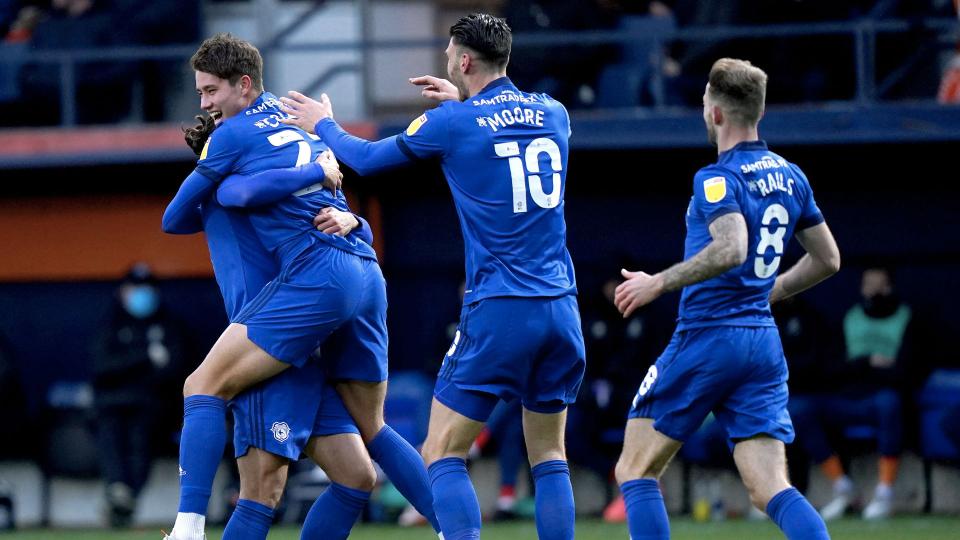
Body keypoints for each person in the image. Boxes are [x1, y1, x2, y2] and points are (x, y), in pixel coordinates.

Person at [279, 13, 585, 540]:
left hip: (500, 306)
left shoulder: (451, 123)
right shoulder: (554, 113)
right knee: (549, 454)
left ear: (464, 61)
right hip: (561, 306)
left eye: (450, 54)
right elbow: (501, 129)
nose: (446, 60)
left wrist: (322, 124)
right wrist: (463, 103)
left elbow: (368, 160)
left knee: (442, 451)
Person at [161, 33, 438, 540]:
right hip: (341, 291)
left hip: (282, 334)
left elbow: (178, 215)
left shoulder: (229, 165)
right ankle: (456, 528)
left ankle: (187, 528)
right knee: (355, 473)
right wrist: (330, 179)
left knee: (254, 481)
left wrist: (334, 198)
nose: (205, 105)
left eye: (209, 94)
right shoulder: (285, 147)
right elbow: (296, 200)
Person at [611, 58, 840, 540]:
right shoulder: (791, 175)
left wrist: (657, 283)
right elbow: (828, 260)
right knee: (770, 487)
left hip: (708, 336)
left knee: (634, 470)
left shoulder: (717, 177)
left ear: (715, 114)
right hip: (761, 342)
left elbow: (732, 246)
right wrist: (771, 290)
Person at [789, 267, 916, 521]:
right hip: (848, 396)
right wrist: (868, 362)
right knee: (800, 409)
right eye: (868, 285)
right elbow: (833, 367)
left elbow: (905, 369)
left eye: (879, 285)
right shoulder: (851, 317)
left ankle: (885, 492)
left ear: (890, 287)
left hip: (881, 395)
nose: (873, 291)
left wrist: (864, 368)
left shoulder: (906, 317)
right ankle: (843, 487)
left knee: (889, 403)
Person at [90, 263, 185, 528]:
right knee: (110, 430)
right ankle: (119, 489)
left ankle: (125, 495)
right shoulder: (111, 323)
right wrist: (145, 358)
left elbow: (175, 369)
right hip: (111, 404)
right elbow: (102, 367)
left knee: (141, 435)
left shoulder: (169, 324)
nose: (141, 294)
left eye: (147, 288)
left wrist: (128, 367)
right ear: (122, 291)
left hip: (153, 405)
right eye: (135, 288)